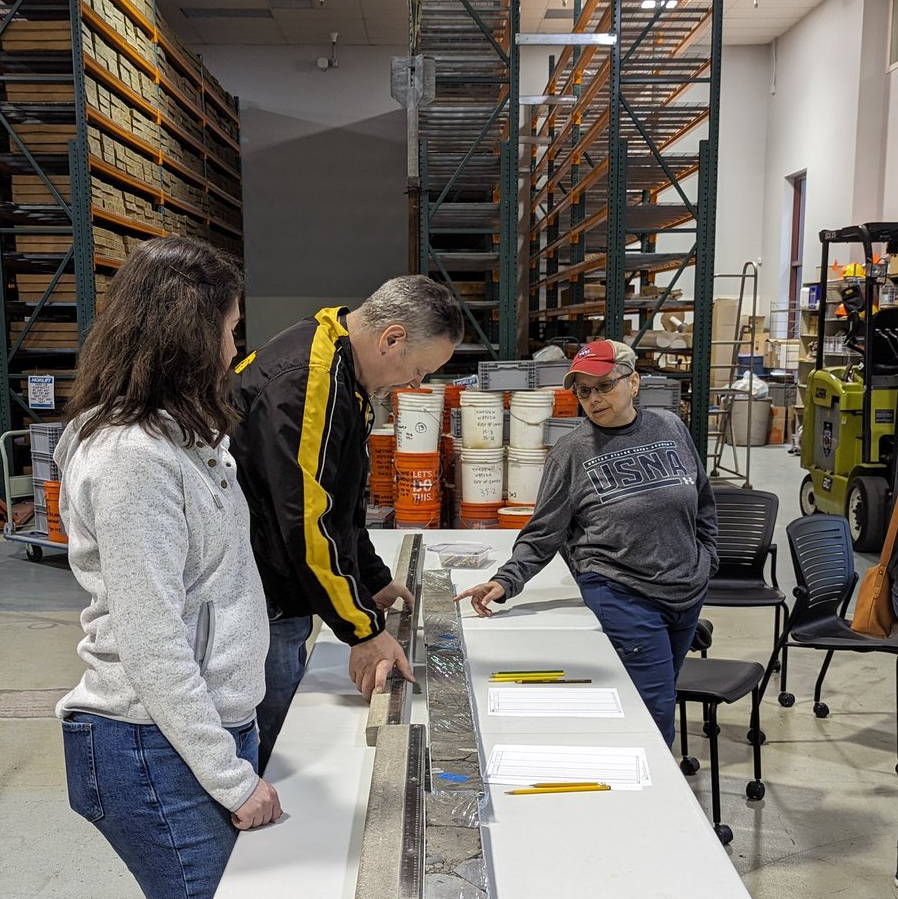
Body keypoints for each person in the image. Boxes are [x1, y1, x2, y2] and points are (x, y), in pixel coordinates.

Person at [54, 237, 281, 899]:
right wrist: (232, 778)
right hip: (149, 748)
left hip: (193, 735)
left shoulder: (184, 440)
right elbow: (153, 643)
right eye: (227, 330)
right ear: (189, 336)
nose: (234, 347)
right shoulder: (133, 461)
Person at [229, 275, 463, 770]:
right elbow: (306, 521)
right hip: (262, 595)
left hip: (277, 582)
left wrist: (371, 580)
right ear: (392, 338)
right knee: (276, 758)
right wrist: (361, 631)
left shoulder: (339, 365)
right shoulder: (310, 380)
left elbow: (340, 499)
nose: (417, 384)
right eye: (420, 369)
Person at [457, 339, 718, 748]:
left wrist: (707, 557)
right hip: (623, 593)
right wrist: (506, 580)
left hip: (686, 591)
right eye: (583, 391)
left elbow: (701, 498)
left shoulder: (670, 427)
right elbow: (544, 531)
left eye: (604, 386)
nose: (593, 399)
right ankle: (649, 803)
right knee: (654, 710)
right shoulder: (572, 452)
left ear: (633, 383)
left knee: (663, 690)